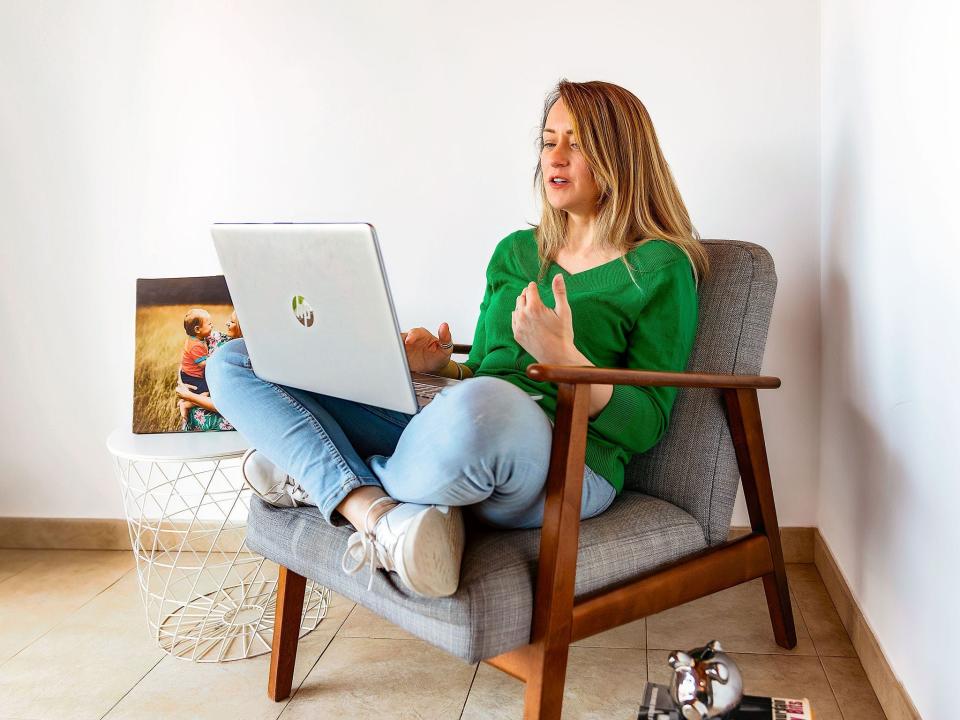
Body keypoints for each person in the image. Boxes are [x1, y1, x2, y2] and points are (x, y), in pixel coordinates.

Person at [206, 79, 709, 599]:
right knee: (237, 361)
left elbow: (648, 421)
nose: (554, 157)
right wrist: (442, 369)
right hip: (460, 421)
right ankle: (370, 510)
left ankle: (311, 471)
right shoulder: (516, 252)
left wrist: (566, 359)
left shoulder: (660, 266)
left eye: (576, 143)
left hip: (566, 456)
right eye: (548, 139)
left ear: (620, 155)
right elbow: (486, 371)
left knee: (484, 404)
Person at [178, 311, 243, 431]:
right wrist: (181, 381)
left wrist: (189, 397)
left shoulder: (246, 360)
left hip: (215, 427)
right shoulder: (216, 338)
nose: (226, 323)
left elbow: (226, 405)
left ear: (243, 327)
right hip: (193, 421)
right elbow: (188, 356)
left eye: (232, 322)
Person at [180, 308, 215, 396]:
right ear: (197, 329)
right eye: (209, 324)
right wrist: (215, 358)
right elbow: (202, 364)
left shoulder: (198, 339)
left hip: (190, 374)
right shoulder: (195, 345)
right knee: (207, 390)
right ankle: (188, 404)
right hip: (191, 377)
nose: (212, 325)